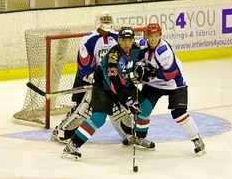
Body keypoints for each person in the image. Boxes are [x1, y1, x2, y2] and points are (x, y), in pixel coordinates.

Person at [61, 27, 155, 160]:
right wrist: (128, 100)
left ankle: (138, 137)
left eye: (129, 40)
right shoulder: (113, 56)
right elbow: (113, 83)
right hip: (104, 87)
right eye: (123, 40)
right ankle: (72, 145)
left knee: (146, 107)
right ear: (119, 40)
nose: (126, 43)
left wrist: (143, 69)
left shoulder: (135, 49)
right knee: (99, 118)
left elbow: (140, 61)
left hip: (124, 84)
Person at [51, 10, 134, 143]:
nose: (106, 22)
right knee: (85, 109)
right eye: (104, 20)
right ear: (98, 21)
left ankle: (129, 132)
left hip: (112, 79)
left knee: (118, 106)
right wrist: (94, 77)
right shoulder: (88, 39)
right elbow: (84, 62)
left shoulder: (118, 37)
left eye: (108, 19)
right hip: (90, 79)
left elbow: (126, 55)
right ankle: (62, 131)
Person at [138, 23, 206, 156]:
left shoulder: (164, 51)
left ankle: (197, 140)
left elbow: (171, 73)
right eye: (151, 36)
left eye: (156, 36)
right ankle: (140, 137)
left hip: (174, 82)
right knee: (143, 108)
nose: (153, 39)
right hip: (154, 83)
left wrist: (149, 75)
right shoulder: (142, 45)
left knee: (179, 113)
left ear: (160, 36)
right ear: (147, 36)